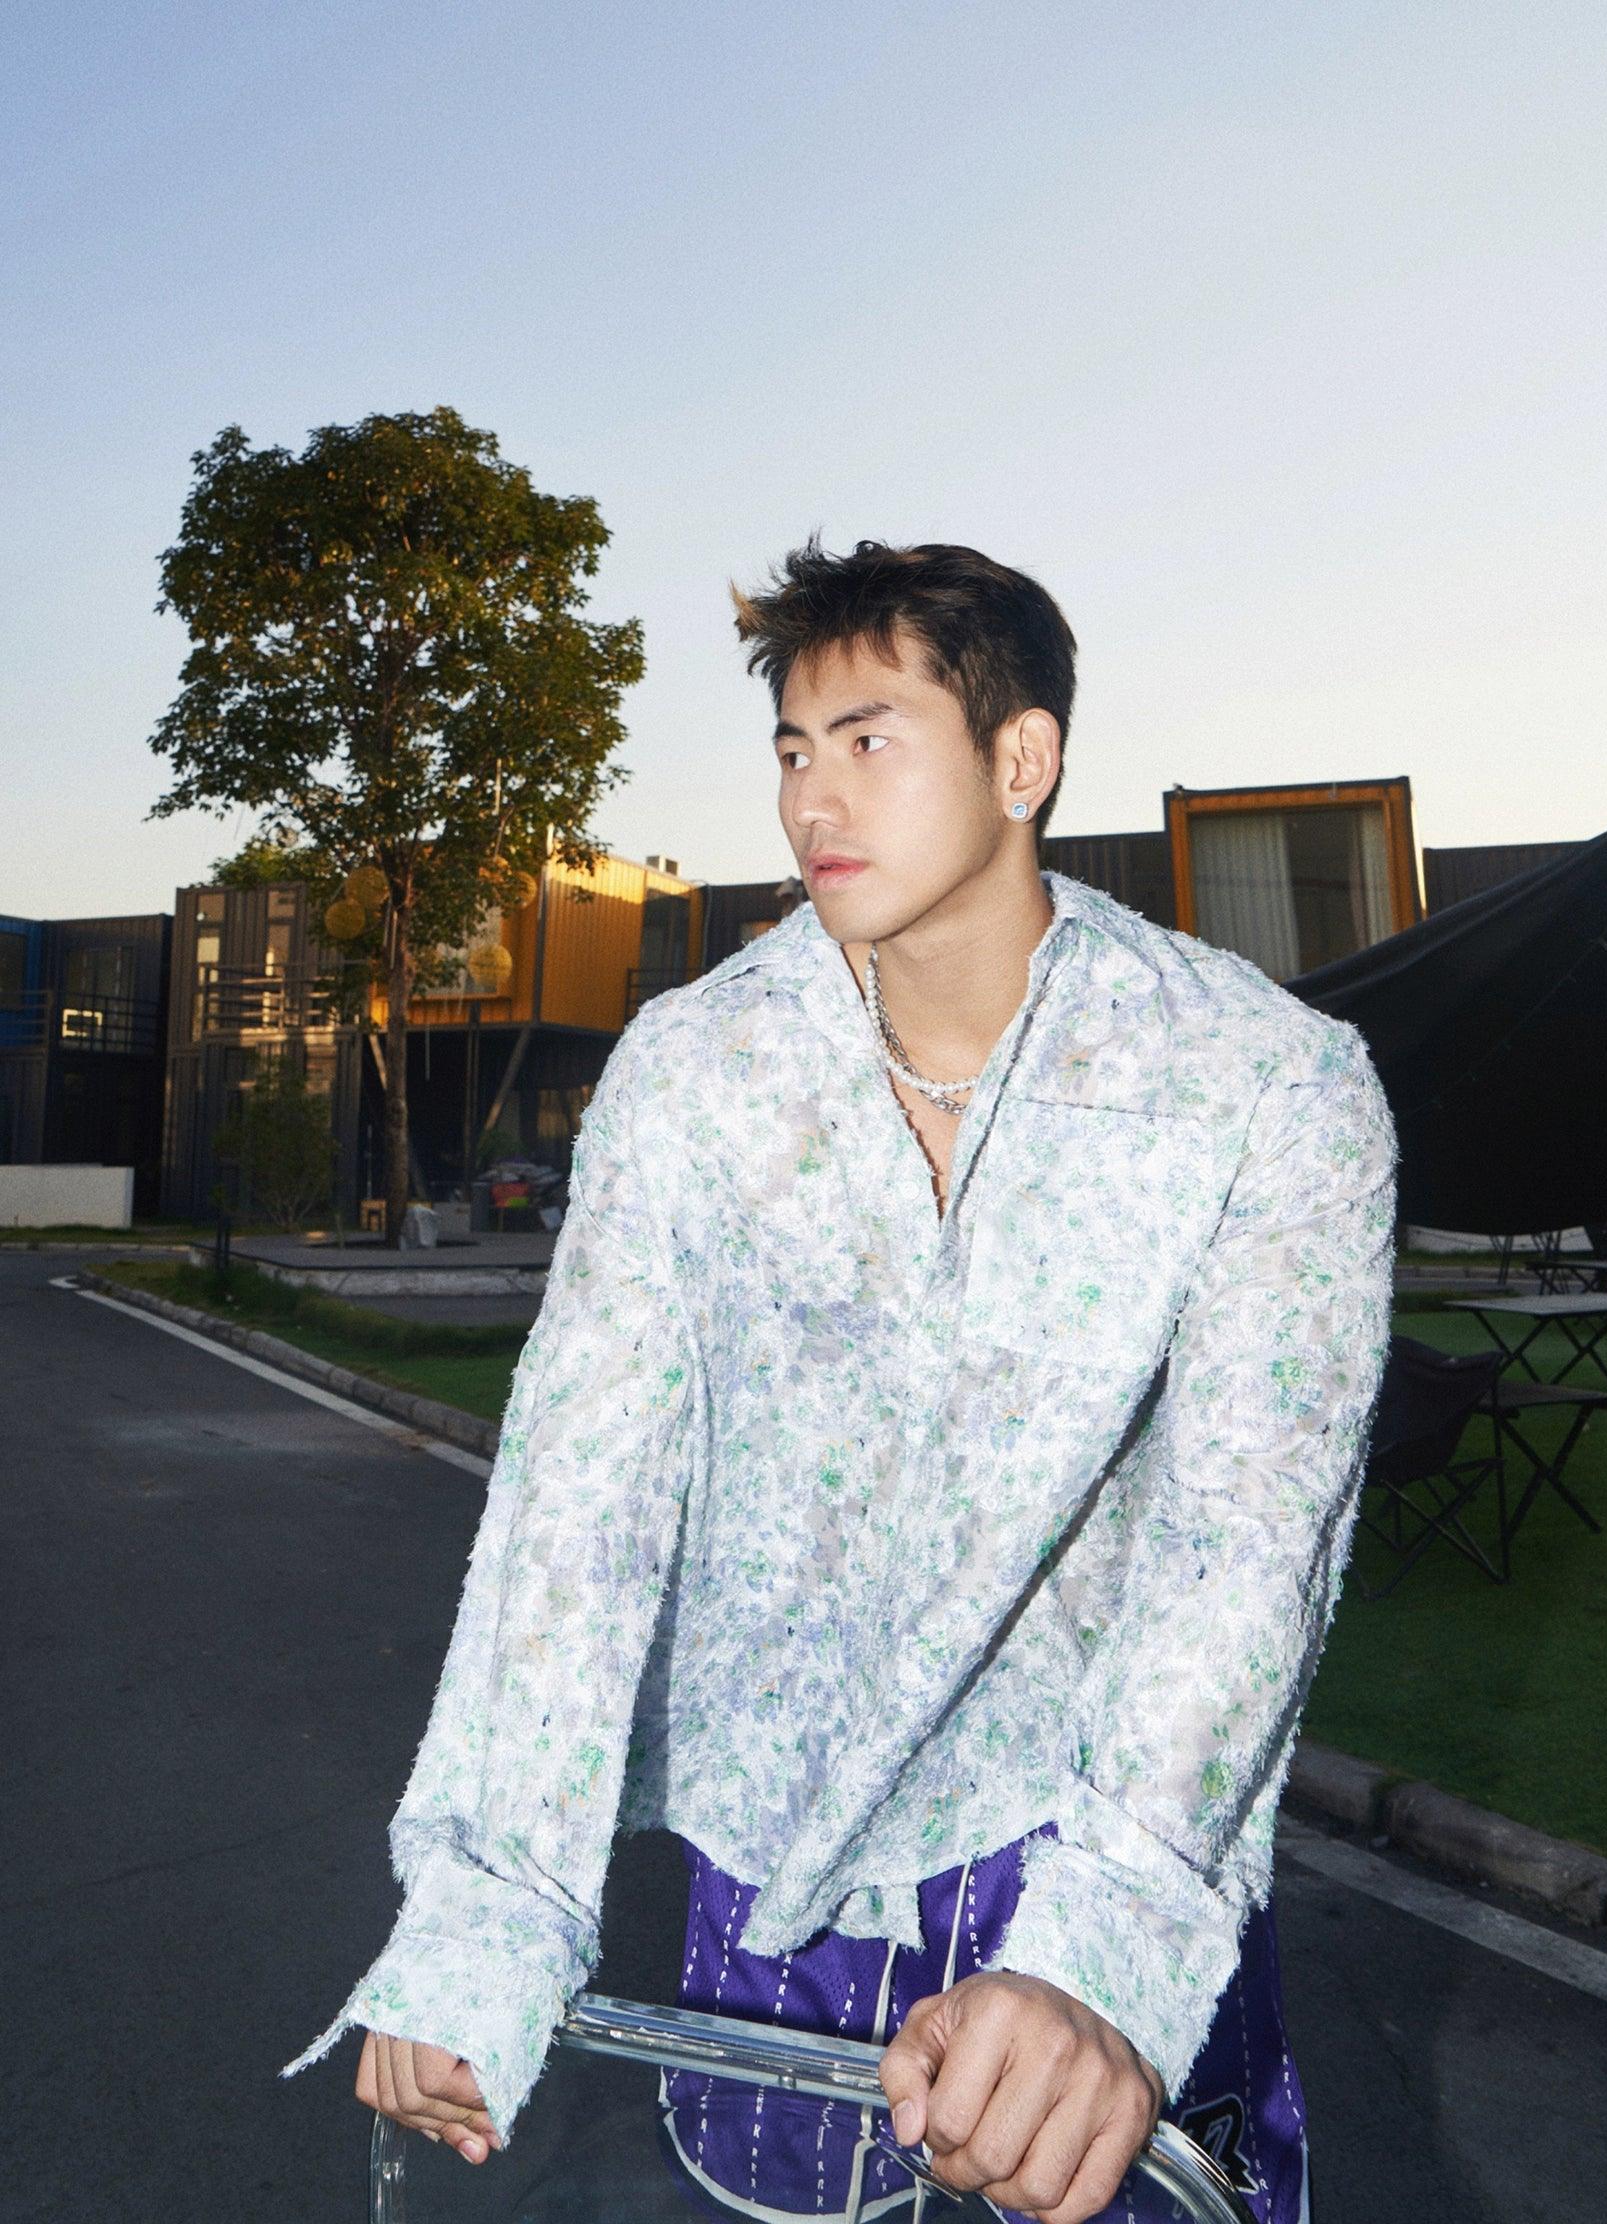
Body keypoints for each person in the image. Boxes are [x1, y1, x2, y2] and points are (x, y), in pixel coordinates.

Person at [282, 536, 1396, 2224]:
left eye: (871, 739)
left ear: (1021, 760)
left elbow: (1248, 1543)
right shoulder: (690, 1075)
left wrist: (1102, 1951)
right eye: (794, 749)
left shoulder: (1267, 1084)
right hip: (772, 1865)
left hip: (1084, 1841)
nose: (814, 797)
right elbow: (576, 1505)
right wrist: (489, 1906)